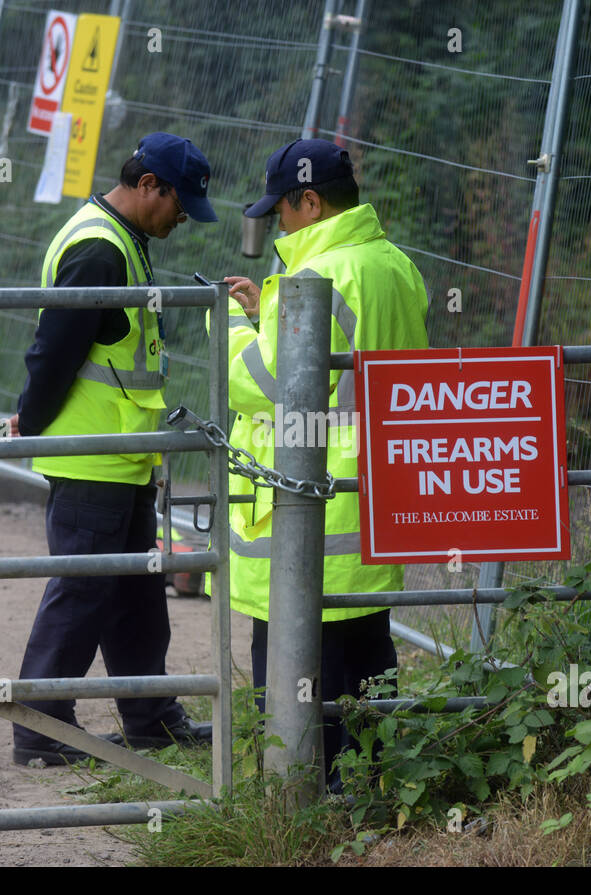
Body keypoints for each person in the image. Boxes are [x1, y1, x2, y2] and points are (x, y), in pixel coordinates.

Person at [218, 139, 429, 786]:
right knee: (369, 666)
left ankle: (302, 808)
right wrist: (269, 314)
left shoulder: (313, 275)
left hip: (313, 503)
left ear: (309, 202)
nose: (278, 223)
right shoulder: (391, 262)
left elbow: (265, 383)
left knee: (300, 678)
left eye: (281, 209)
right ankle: (372, 796)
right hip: (373, 494)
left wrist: (231, 323)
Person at [9, 132, 218, 767]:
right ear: (149, 185)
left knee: (134, 591)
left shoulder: (120, 239)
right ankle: (41, 730)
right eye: (179, 204)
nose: (182, 218)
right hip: (92, 453)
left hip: (120, 452)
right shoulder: (100, 249)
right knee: (84, 589)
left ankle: (150, 714)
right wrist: (32, 421)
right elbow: (53, 350)